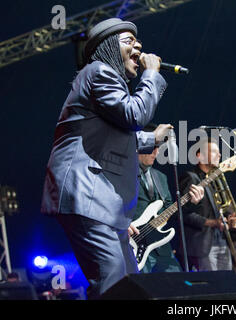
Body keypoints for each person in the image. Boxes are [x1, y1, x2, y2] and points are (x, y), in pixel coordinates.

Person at [41, 18, 170, 299]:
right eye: (128, 42)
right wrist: (151, 75)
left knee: (131, 285)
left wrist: (154, 139)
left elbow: (118, 134)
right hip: (89, 197)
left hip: (105, 205)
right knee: (114, 285)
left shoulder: (105, 84)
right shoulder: (99, 72)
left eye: (138, 42)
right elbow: (134, 116)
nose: (138, 47)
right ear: (108, 47)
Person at [128, 123, 204, 273]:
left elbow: (171, 210)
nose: (156, 152)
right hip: (133, 245)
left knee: (178, 287)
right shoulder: (124, 173)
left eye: (158, 147)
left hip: (161, 248)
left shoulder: (160, 177)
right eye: (153, 147)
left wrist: (191, 202)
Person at [179, 138, 236, 271]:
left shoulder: (217, 180)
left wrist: (230, 220)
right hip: (202, 245)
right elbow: (183, 213)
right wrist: (213, 223)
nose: (219, 155)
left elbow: (225, 208)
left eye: (219, 152)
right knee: (212, 286)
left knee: (227, 286)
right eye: (213, 152)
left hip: (223, 242)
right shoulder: (191, 177)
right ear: (199, 155)